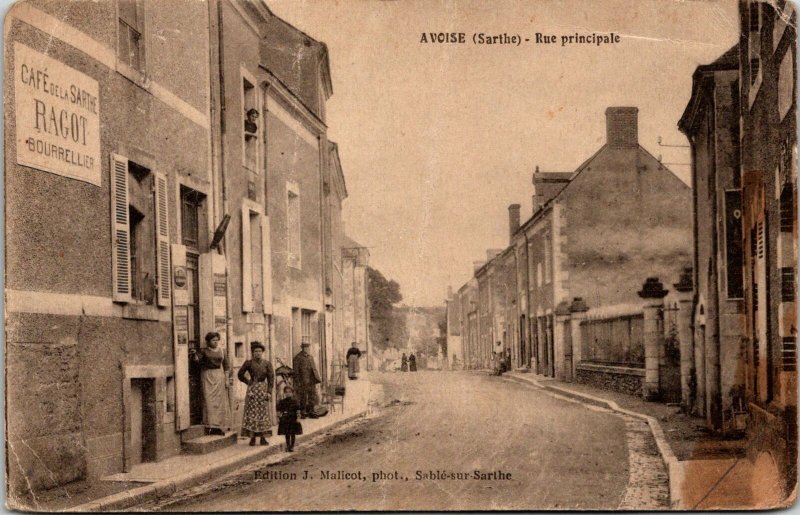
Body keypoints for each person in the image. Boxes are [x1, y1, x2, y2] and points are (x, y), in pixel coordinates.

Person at [189, 332, 231, 435]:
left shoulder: (222, 351)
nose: (216, 342)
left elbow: (226, 366)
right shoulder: (204, 351)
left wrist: (226, 380)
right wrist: (194, 355)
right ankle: (211, 426)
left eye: (217, 340)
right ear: (208, 342)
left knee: (220, 402)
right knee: (209, 401)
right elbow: (197, 360)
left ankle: (220, 425)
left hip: (219, 376)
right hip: (207, 376)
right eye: (213, 340)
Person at [237, 341, 274, 446]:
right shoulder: (248, 363)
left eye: (259, 351)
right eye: (255, 351)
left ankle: (263, 438)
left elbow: (271, 379)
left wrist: (269, 392)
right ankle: (252, 438)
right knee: (252, 413)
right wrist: (248, 382)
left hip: (263, 390)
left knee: (263, 414)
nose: (258, 353)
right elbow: (240, 374)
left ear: (262, 352)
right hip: (252, 391)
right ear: (252, 352)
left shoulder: (267, 364)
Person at [293, 342, 321, 418]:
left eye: (309, 348)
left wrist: (317, 378)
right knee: (303, 397)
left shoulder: (310, 357)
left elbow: (314, 368)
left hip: (311, 380)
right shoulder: (298, 358)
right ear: (303, 348)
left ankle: (312, 411)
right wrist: (298, 382)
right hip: (303, 381)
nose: (308, 349)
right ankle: (303, 412)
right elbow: (296, 372)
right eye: (307, 348)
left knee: (312, 396)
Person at [277, 385, 303, 452]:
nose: (288, 393)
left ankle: (292, 446)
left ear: (292, 393)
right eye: (286, 392)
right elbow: (279, 410)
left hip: (293, 419)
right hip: (285, 420)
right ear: (284, 393)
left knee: (293, 433)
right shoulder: (282, 402)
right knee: (287, 433)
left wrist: (298, 418)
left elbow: (298, 410)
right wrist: (279, 417)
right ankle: (288, 446)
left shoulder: (295, 401)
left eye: (289, 392)